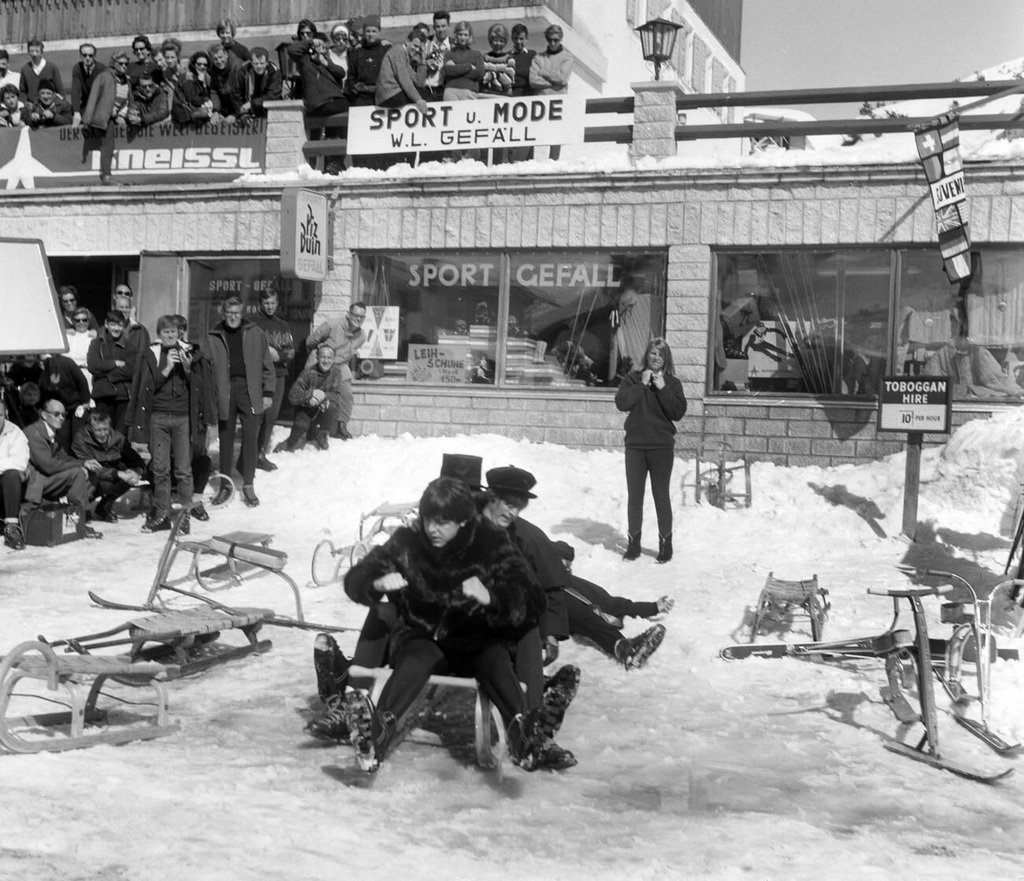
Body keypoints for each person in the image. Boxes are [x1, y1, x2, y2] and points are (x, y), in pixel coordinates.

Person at [312, 476, 552, 773]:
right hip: (423, 636)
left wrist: (492, 597)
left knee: (495, 660)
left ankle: (524, 735)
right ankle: (377, 735)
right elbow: (356, 578)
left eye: (442, 522)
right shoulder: (408, 541)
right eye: (427, 520)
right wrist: (375, 582)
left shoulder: (491, 542)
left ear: (463, 521)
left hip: (477, 639)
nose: (431, 529)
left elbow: (534, 598)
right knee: (416, 658)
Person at [614, 338, 687, 563]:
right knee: (634, 497)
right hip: (635, 447)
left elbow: (677, 412)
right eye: (653, 353)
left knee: (661, 496)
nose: (656, 358)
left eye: (661, 354)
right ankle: (633, 545)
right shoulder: (633, 378)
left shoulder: (672, 383)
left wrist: (663, 388)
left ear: (666, 358)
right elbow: (621, 403)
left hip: (661, 448)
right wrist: (642, 384)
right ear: (647, 355)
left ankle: (665, 546)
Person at [126, 315, 201, 533]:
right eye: (166, 332)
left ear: (179, 333)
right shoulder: (151, 354)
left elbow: (198, 386)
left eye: (173, 332)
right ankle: (162, 515)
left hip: (182, 418)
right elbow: (149, 387)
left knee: (184, 470)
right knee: (160, 469)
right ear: (159, 334)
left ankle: (185, 517)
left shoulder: (189, 352)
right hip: (158, 418)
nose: (170, 335)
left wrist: (187, 368)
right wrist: (167, 367)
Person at [206, 296, 274, 508]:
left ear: (242, 313)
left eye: (237, 313)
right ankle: (225, 485)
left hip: (249, 390)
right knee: (225, 439)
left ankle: (248, 485)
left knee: (251, 437)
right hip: (225, 391)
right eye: (229, 313)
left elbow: (267, 364)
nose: (233, 317)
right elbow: (206, 368)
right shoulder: (213, 335)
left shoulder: (255, 333)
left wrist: (268, 393)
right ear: (223, 313)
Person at [23, 399, 99, 536]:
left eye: (64, 415)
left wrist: (84, 463)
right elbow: (48, 466)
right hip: (36, 481)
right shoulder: (34, 433)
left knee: (90, 473)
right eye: (56, 414)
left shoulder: (51, 432)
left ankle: (74, 511)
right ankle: (80, 522)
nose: (61, 418)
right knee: (77, 473)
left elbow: (64, 458)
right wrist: (78, 466)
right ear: (44, 415)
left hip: (47, 477)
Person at [304, 301, 367, 439]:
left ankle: (341, 425)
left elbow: (350, 352)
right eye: (355, 315)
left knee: (346, 393)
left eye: (361, 317)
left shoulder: (361, 335)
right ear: (348, 314)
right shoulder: (332, 325)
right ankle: (308, 426)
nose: (358, 319)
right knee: (314, 393)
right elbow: (311, 341)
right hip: (322, 361)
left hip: (339, 365)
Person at [71, 407, 144, 523]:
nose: (102, 434)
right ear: (90, 428)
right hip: (89, 477)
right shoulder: (81, 439)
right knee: (90, 479)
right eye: (98, 430)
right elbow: (92, 468)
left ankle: (104, 507)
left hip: (110, 473)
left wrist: (137, 472)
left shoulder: (118, 438)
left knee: (129, 477)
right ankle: (83, 508)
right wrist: (118, 474)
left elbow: (135, 459)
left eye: (105, 429)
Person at [249, 288, 294, 469]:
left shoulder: (283, 325)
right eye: (266, 303)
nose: (270, 307)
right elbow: (245, 349)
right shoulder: (251, 323)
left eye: (273, 303)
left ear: (277, 303)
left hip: (278, 375)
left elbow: (290, 352)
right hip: (257, 375)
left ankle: (260, 454)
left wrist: (279, 356)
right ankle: (249, 455)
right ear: (260, 303)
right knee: (256, 415)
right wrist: (264, 353)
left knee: (271, 416)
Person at [274, 344, 343, 452]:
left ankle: (322, 436)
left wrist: (323, 396)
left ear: (333, 359)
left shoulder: (336, 372)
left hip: (323, 409)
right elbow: (292, 396)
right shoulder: (308, 373)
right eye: (323, 357)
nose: (326, 361)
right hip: (306, 408)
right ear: (317, 358)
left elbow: (337, 395)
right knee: (299, 430)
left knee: (332, 407)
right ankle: (289, 442)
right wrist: (311, 394)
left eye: (329, 358)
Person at [81, 50, 132, 186]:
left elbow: (128, 100)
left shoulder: (126, 80)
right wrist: (87, 120)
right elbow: (93, 97)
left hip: (119, 115)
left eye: (126, 64)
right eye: (121, 63)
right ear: (113, 63)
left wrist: (122, 114)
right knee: (108, 145)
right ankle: (106, 176)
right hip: (104, 116)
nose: (124, 66)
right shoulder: (104, 76)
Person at [87, 309, 137, 432]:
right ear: (106, 324)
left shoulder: (130, 346)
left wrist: (109, 376)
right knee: (103, 431)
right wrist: (114, 363)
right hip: (103, 395)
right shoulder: (96, 344)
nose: (116, 328)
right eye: (113, 324)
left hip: (123, 395)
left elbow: (131, 369)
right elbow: (93, 365)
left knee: (120, 434)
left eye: (119, 325)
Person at [529, 25, 573, 160]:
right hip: (541, 103)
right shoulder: (538, 58)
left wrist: (543, 72)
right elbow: (533, 80)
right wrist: (554, 83)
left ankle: (554, 163)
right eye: (550, 40)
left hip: (558, 104)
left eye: (555, 40)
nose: (552, 43)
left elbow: (563, 78)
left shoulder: (567, 57)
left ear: (561, 39)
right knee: (536, 136)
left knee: (555, 137)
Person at [37, 351, 91, 450]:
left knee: (78, 436)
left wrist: (85, 402)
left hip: (76, 406)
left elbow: (81, 380)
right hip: (59, 409)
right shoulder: (44, 369)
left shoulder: (67, 363)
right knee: (63, 437)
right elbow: (43, 389)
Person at [375, 27, 429, 110]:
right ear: (407, 41)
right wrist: (418, 99)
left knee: (425, 93)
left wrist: (423, 60)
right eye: (415, 46)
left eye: (419, 48)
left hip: (394, 94)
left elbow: (419, 83)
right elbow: (404, 79)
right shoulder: (398, 50)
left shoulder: (406, 57)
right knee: (425, 96)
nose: (417, 50)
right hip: (389, 95)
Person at [0, 397, 29, 550]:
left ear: (6, 413)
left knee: (11, 474)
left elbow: (19, 462)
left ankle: (11, 527)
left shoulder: (15, 433)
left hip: (5, 490)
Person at [346, 14, 388, 107]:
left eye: (374, 31)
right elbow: (351, 75)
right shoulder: (357, 51)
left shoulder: (386, 49)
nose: (370, 34)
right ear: (364, 32)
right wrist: (355, 87)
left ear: (379, 32)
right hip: (362, 95)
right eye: (368, 31)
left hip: (382, 92)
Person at [171, 51, 219, 129]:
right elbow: (193, 100)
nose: (202, 67)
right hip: (184, 112)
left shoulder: (204, 76)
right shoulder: (188, 77)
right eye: (199, 64)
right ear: (194, 64)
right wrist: (201, 83)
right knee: (205, 112)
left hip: (194, 108)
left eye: (205, 65)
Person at [237, 47, 283, 122]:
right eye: (256, 63)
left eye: (262, 63)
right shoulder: (243, 72)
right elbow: (237, 94)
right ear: (251, 63)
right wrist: (242, 113)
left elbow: (273, 95)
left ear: (267, 63)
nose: (259, 66)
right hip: (247, 109)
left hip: (269, 108)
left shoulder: (274, 72)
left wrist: (252, 103)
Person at [442, 21, 483, 101]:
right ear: (456, 35)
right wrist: (469, 66)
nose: (463, 37)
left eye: (465, 35)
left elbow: (479, 73)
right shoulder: (449, 54)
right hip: (451, 91)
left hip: (470, 91)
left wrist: (456, 68)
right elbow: (448, 71)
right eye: (460, 34)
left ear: (469, 36)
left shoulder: (476, 54)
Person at [19, 38, 64, 105]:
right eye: (31, 51)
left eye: (37, 51)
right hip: (33, 106)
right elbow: (22, 91)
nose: (34, 54)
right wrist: (25, 103)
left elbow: (60, 90)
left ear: (42, 52)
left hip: (50, 106)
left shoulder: (52, 68)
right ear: (28, 52)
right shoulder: (25, 69)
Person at [420, 10, 452, 102]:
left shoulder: (454, 44)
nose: (441, 29)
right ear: (434, 27)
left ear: (448, 26)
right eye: (438, 27)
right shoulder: (425, 42)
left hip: (445, 89)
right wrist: (424, 63)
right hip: (426, 89)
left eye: (443, 26)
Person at [70, 43, 105, 128]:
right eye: (84, 55)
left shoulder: (102, 69)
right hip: (86, 103)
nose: (87, 58)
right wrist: (76, 112)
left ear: (94, 56)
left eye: (90, 55)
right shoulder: (77, 68)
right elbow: (75, 90)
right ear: (80, 55)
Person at [208, 43, 244, 121]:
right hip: (226, 107)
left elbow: (241, 95)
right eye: (215, 59)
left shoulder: (238, 67)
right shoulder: (214, 68)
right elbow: (214, 91)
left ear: (226, 55)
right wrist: (216, 111)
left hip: (241, 109)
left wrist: (235, 115)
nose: (219, 61)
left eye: (220, 57)